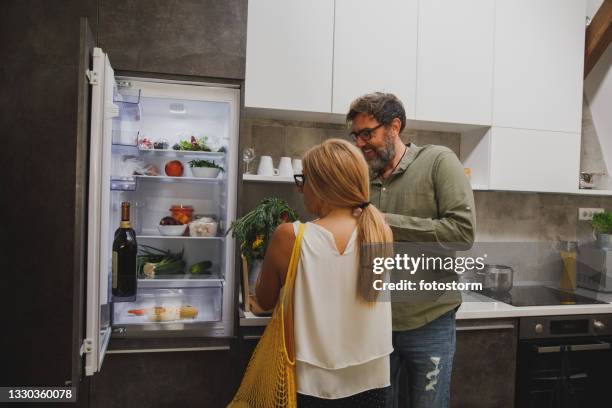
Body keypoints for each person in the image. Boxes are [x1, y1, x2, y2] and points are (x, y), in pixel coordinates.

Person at [346, 92, 476, 408]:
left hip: (430, 319)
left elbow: (462, 233)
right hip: (376, 323)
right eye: (356, 135)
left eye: (368, 133)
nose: (360, 143)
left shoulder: (438, 161)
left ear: (394, 126)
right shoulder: (363, 178)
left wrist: (382, 220)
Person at [256, 139, 394, 407]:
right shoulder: (380, 231)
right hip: (373, 380)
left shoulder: (291, 236)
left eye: (303, 179)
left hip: (312, 382)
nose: (301, 188)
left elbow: (264, 300)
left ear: (319, 185)